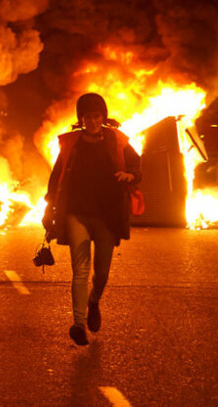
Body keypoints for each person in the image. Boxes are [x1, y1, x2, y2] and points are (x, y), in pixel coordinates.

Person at [42, 93, 142, 346]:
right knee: (80, 270)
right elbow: (57, 178)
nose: (93, 121)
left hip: (107, 216)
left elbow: (136, 166)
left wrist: (129, 175)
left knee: (102, 273)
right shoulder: (71, 143)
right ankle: (78, 323)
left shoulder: (117, 140)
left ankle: (94, 301)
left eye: (97, 116)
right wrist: (48, 209)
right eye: (88, 117)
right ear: (81, 119)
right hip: (77, 213)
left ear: (103, 116)